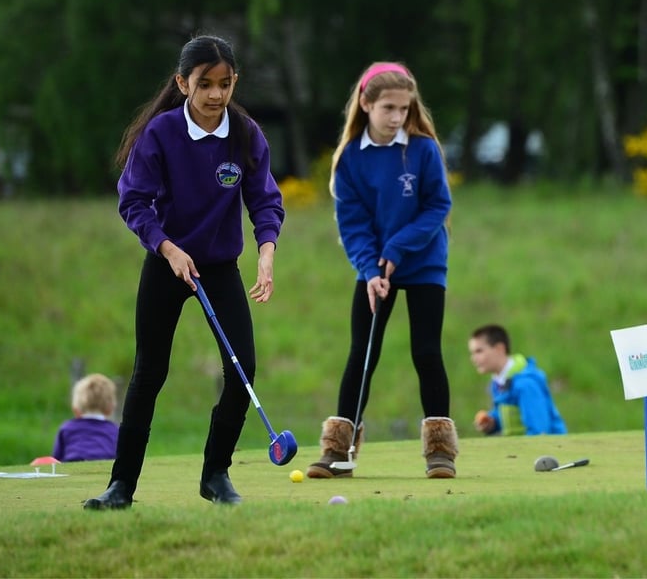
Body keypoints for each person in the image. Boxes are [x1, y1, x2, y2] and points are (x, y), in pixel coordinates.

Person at [84, 35, 285, 510]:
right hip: (166, 265)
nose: (216, 95)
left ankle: (215, 474)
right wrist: (168, 249)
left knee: (243, 370)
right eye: (205, 84)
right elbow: (133, 202)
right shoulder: (161, 134)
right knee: (149, 373)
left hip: (219, 268)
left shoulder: (246, 133)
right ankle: (121, 487)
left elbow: (264, 200)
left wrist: (267, 253)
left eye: (225, 83)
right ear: (183, 83)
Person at [305, 61, 458, 480]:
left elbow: (436, 208)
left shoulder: (422, 149)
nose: (396, 118)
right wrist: (370, 269)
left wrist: (396, 248)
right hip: (374, 267)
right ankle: (338, 451)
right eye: (388, 108)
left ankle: (440, 451)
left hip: (424, 261)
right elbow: (352, 225)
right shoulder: (351, 160)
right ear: (366, 104)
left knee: (426, 352)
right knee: (363, 355)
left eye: (404, 109)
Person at [468, 324, 567, 436]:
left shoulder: (525, 384)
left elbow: (539, 431)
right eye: (472, 353)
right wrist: (493, 422)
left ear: (499, 349)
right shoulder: (499, 382)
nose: (473, 358)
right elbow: (512, 415)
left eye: (479, 351)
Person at [52, 373, 119, 462]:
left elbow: (56, 460)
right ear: (110, 408)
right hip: (104, 466)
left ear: (75, 409)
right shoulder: (114, 430)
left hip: (72, 465)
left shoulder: (66, 428)